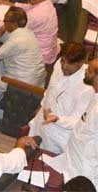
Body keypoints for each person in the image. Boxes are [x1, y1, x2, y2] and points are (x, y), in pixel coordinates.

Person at [28, 42, 94, 154]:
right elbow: (51, 88)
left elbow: (79, 120)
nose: (64, 66)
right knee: (28, 154)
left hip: (60, 134)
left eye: (70, 63)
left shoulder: (87, 86)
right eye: (63, 60)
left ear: (81, 62)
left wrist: (57, 119)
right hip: (41, 122)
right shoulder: (58, 64)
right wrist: (42, 105)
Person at [0, 0, 59, 65]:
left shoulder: (36, 15)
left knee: (3, 35)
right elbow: (28, 7)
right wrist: (7, 3)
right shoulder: (47, 3)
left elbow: (14, 28)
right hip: (49, 47)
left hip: (40, 53)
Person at [55, 57, 98, 188]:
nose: (85, 71)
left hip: (86, 166)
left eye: (90, 71)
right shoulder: (95, 95)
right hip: (74, 158)